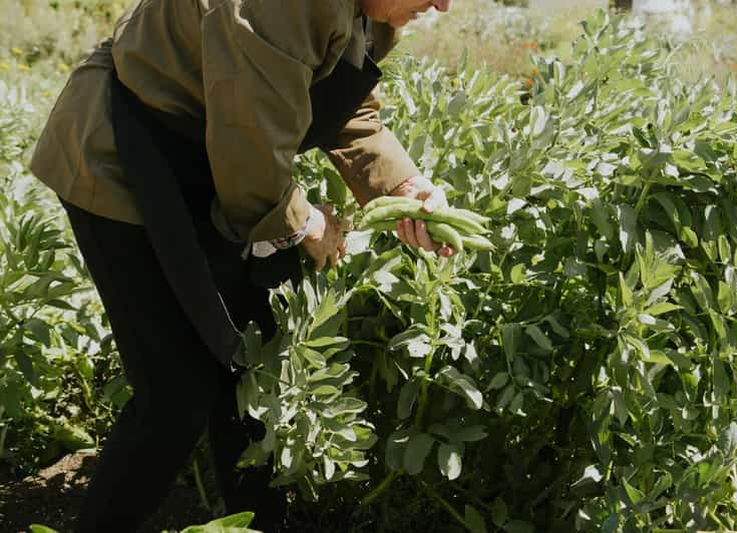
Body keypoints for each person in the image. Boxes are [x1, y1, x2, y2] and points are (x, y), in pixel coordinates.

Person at [29, 0, 453, 531]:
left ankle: (257, 523)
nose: (443, 4)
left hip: (214, 165)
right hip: (125, 157)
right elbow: (249, 137)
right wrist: (303, 225)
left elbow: (348, 107)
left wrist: (401, 185)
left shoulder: (374, 10)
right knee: (175, 392)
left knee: (255, 363)